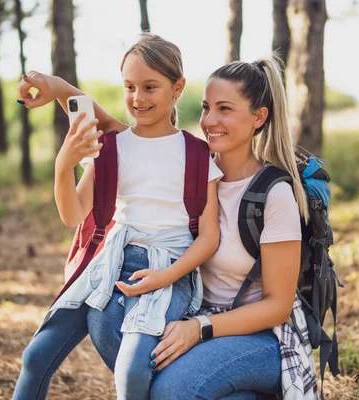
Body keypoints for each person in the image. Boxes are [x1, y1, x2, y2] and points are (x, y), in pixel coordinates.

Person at [18, 44, 318, 398]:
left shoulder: (270, 192)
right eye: (207, 108)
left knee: (170, 389)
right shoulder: (191, 162)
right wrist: (54, 87)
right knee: (109, 327)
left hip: (260, 335)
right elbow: (113, 128)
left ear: (259, 117)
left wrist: (199, 328)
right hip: (190, 315)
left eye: (225, 109)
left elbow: (278, 306)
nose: (210, 120)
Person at [12, 33, 222, 400]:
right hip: (110, 261)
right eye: (129, 86)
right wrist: (64, 166)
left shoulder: (197, 154)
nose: (138, 98)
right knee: (36, 356)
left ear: (178, 88)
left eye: (150, 87)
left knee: (130, 372)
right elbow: (72, 213)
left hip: (168, 268)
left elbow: (209, 236)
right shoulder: (112, 145)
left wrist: (166, 275)